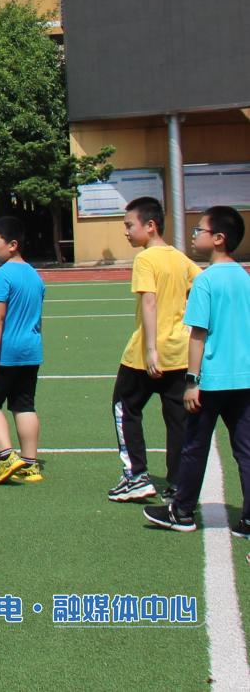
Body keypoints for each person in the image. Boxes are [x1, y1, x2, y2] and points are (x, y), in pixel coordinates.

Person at [145, 206, 250, 534]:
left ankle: (183, 512)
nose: (193, 235)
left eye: (199, 231)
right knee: (246, 450)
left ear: (218, 239)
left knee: (194, 446)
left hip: (212, 381)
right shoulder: (244, 277)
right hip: (244, 379)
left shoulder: (205, 281)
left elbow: (198, 335)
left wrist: (192, 381)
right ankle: (247, 519)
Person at [108, 196, 202, 503]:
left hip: (146, 353)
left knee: (124, 406)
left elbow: (148, 300)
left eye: (129, 225)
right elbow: (199, 284)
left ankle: (136, 475)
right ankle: (177, 483)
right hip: (179, 350)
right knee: (177, 419)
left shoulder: (145, 259)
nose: (126, 231)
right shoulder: (178, 257)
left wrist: (150, 350)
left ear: (150, 226)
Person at [0, 216, 46, 485]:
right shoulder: (34, 275)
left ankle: (7, 456)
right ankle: (30, 463)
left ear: (13, 245)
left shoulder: (1, 275)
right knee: (24, 404)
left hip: (5, 352)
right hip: (30, 351)